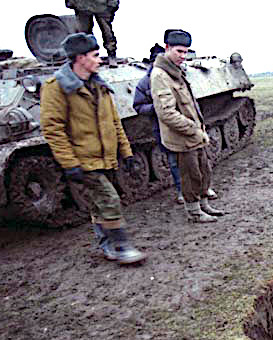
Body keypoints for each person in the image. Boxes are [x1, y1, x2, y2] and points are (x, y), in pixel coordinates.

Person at [40, 32, 146, 265]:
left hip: (104, 157)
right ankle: (122, 246)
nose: (100, 60)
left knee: (99, 205)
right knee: (109, 200)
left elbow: (114, 122)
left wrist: (127, 153)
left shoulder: (100, 85)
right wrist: (70, 164)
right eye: (95, 55)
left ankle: (107, 246)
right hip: (83, 159)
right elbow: (53, 129)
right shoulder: (56, 88)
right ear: (80, 58)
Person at [151, 30, 223, 222]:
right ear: (167, 48)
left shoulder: (176, 71)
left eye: (186, 52)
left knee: (202, 171)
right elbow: (166, 112)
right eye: (179, 51)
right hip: (182, 136)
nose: (183, 56)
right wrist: (193, 129)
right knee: (190, 175)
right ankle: (194, 212)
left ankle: (204, 205)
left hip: (194, 134)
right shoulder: (160, 75)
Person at [132, 44, 184, 204]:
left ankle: (201, 188)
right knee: (174, 161)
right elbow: (138, 106)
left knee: (194, 157)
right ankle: (182, 191)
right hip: (163, 127)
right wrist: (157, 109)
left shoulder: (179, 75)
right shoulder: (145, 82)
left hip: (184, 123)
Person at [63, 0, 119, 65]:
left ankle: (111, 54)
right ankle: (88, 56)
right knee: (83, 33)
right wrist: (70, 0)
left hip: (101, 6)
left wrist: (113, 3)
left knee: (107, 32)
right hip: (82, 5)